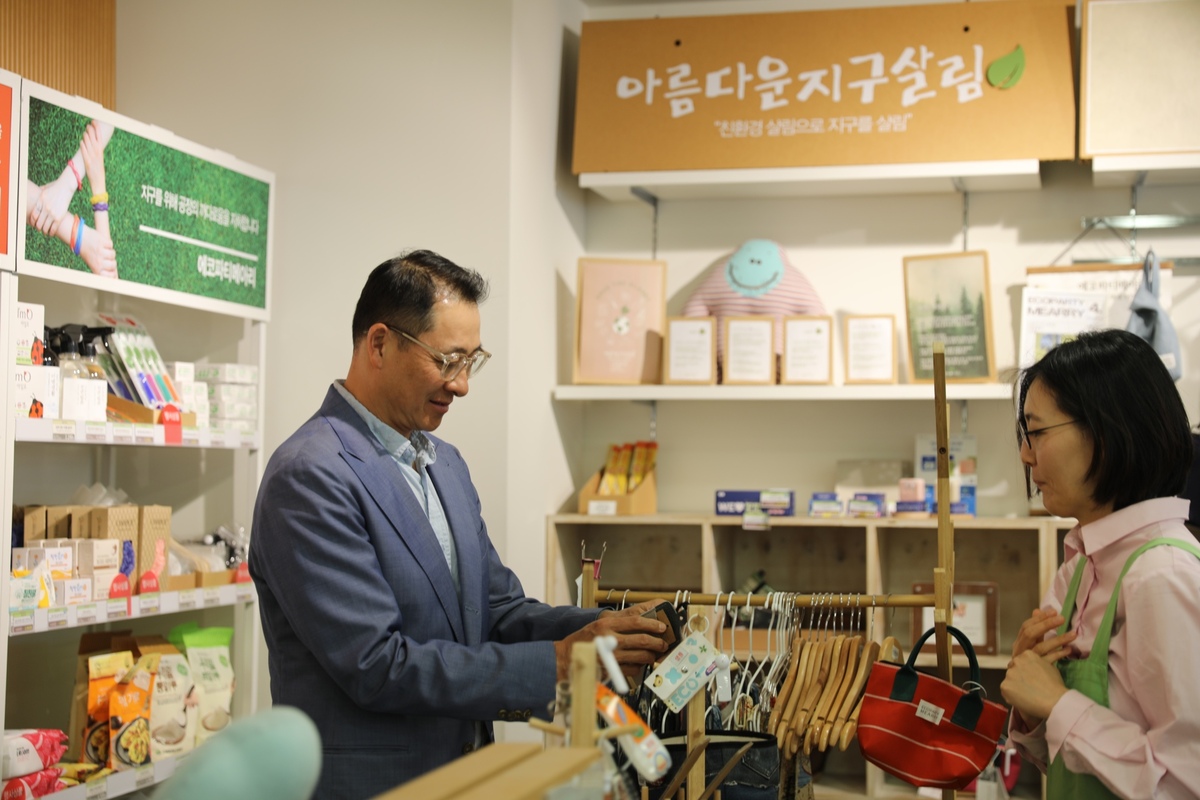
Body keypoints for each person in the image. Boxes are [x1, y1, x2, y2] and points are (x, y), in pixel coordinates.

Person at [249, 250, 667, 799]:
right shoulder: (309, 476)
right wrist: (560, 662)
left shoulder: (444, 464)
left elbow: (496, 611)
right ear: (379, 344)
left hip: (463, 775)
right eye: (447, 361)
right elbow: (377, 664)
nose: (462, 384)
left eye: (472, 361)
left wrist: (608, 631)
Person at [1000, 328, 1200, 799]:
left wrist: (1059, 704)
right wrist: (1032, 700)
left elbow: (1186, 782)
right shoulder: (1078, 570)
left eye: (1037, 432)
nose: (1026, 455)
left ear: (1107, 432)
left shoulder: (1162, 575)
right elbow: (1068, 760)